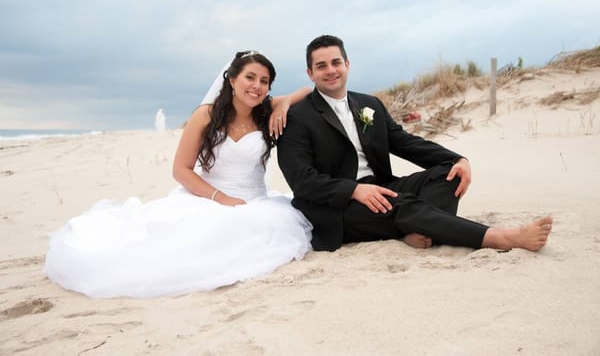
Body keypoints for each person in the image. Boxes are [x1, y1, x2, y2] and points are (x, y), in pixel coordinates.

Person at [44, 51, 313, 298]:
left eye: (264, 81)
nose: (257, 86)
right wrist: (221, 198)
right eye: (250, 77)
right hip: (208, 197)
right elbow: (180, 170)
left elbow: (308, 90)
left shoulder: (266, 111)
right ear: (231, 79)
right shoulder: (205, 115)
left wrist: (284, 103)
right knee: (175, 251)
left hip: (257, 201)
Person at [277, 34, 552, 252]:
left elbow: (404, 142)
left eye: (336, 62)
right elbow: (302, 181)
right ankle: (500, 238)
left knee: (448, 175)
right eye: (321, 66)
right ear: (310, 73)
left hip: (382, 188)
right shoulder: (298, 117)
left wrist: (457, 159)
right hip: (338, 208)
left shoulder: (368, 104)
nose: (330, 70)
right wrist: (353, 191)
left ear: (347, 65)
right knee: (405, 206)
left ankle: (413, 229)